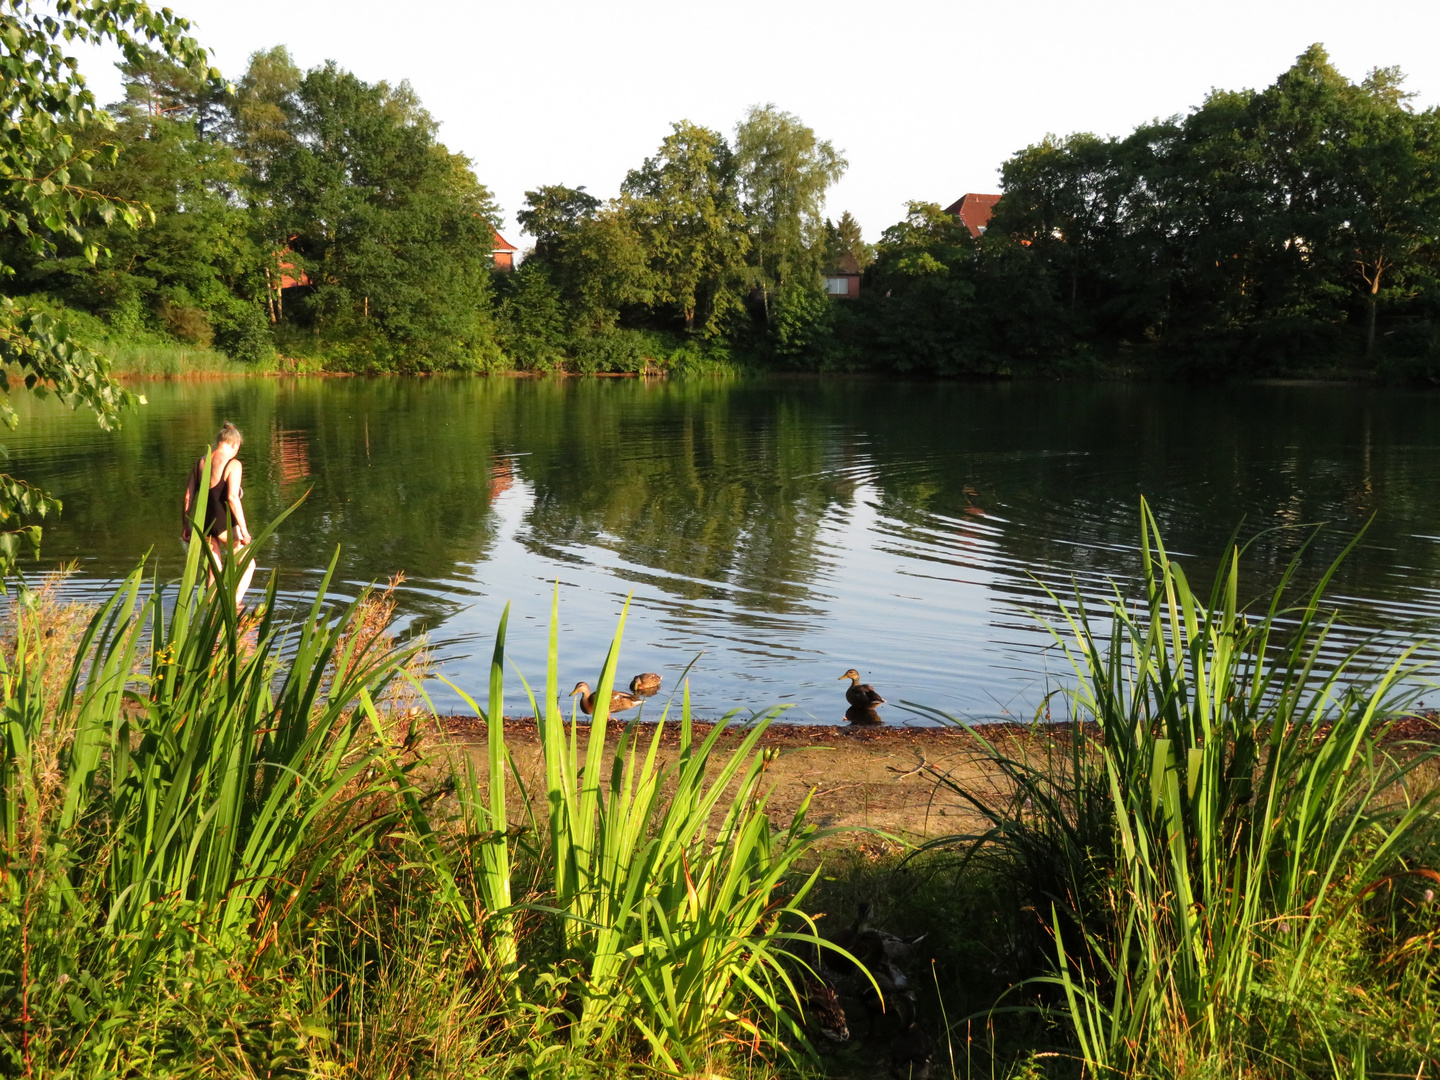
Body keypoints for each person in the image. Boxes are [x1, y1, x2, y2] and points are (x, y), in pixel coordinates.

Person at [182, 422, 257, 605]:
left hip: (204, 523)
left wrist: (186, 525)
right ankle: (233, 605)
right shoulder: (234, 464)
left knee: (213, 570)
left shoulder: (200, 462)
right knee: (249, 565)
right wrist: (245, 531)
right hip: (224, 522)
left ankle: (211, 612)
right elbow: (232, 497)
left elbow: (188, 497)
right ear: (235, 444)